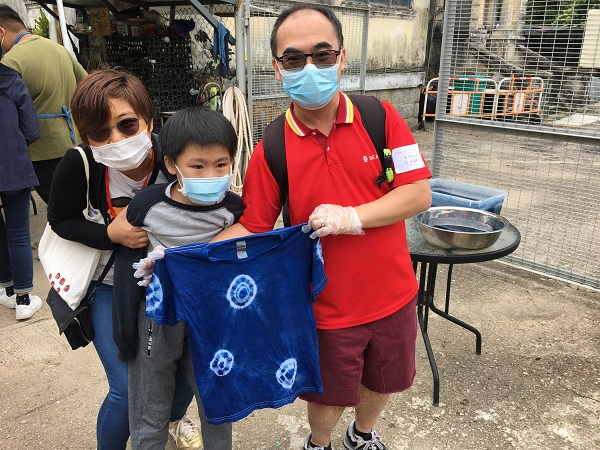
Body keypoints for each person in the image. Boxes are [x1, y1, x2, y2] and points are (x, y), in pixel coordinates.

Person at [215, 5, 432, 450]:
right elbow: (253, 226)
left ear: (342, 58)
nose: (309, 67)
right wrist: (182, 257)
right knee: (328, 395)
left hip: (394, 295)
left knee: (384, 381)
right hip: (326, 309)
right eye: (293, 59)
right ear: (277, 69)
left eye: (321, 54)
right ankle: (320, 442)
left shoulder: (380, 118)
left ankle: (363, 435)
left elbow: (417, 194)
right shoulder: (271, 146)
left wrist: (353, 216)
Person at [47, 69, 202, 450]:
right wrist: (107, 235)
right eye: (100, 133)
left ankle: (170, 420)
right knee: (126, 388)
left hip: (174, 282)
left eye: (127, 124)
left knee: (182, 378)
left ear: (149, 120)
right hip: (108, 286)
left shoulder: (177, 156)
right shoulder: (79, 165)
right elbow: (59, 219)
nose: (115, 139)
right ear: (86, 138)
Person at [126, 106, 241, 449]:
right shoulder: (146, 206)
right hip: (159, 316)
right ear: (172, 165)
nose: (210, 175)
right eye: (197, 166)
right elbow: (126, 243)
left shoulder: (233, 208)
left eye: (221, 164)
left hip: (212, 316)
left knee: (217, 397)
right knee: (152, 400)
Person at [0, 5, 87, 204]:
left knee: (63, 209)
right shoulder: (59, 49)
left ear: (1, 31)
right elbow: (88, 85)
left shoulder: (9, 63)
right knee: (82, 202)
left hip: (42, 150)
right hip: (76, 140)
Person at [0, 63, 41, 320]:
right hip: (14, 166)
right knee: (18, 234)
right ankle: (24, 299)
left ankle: (8, 287)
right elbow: (32, 130)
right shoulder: (11, 81)